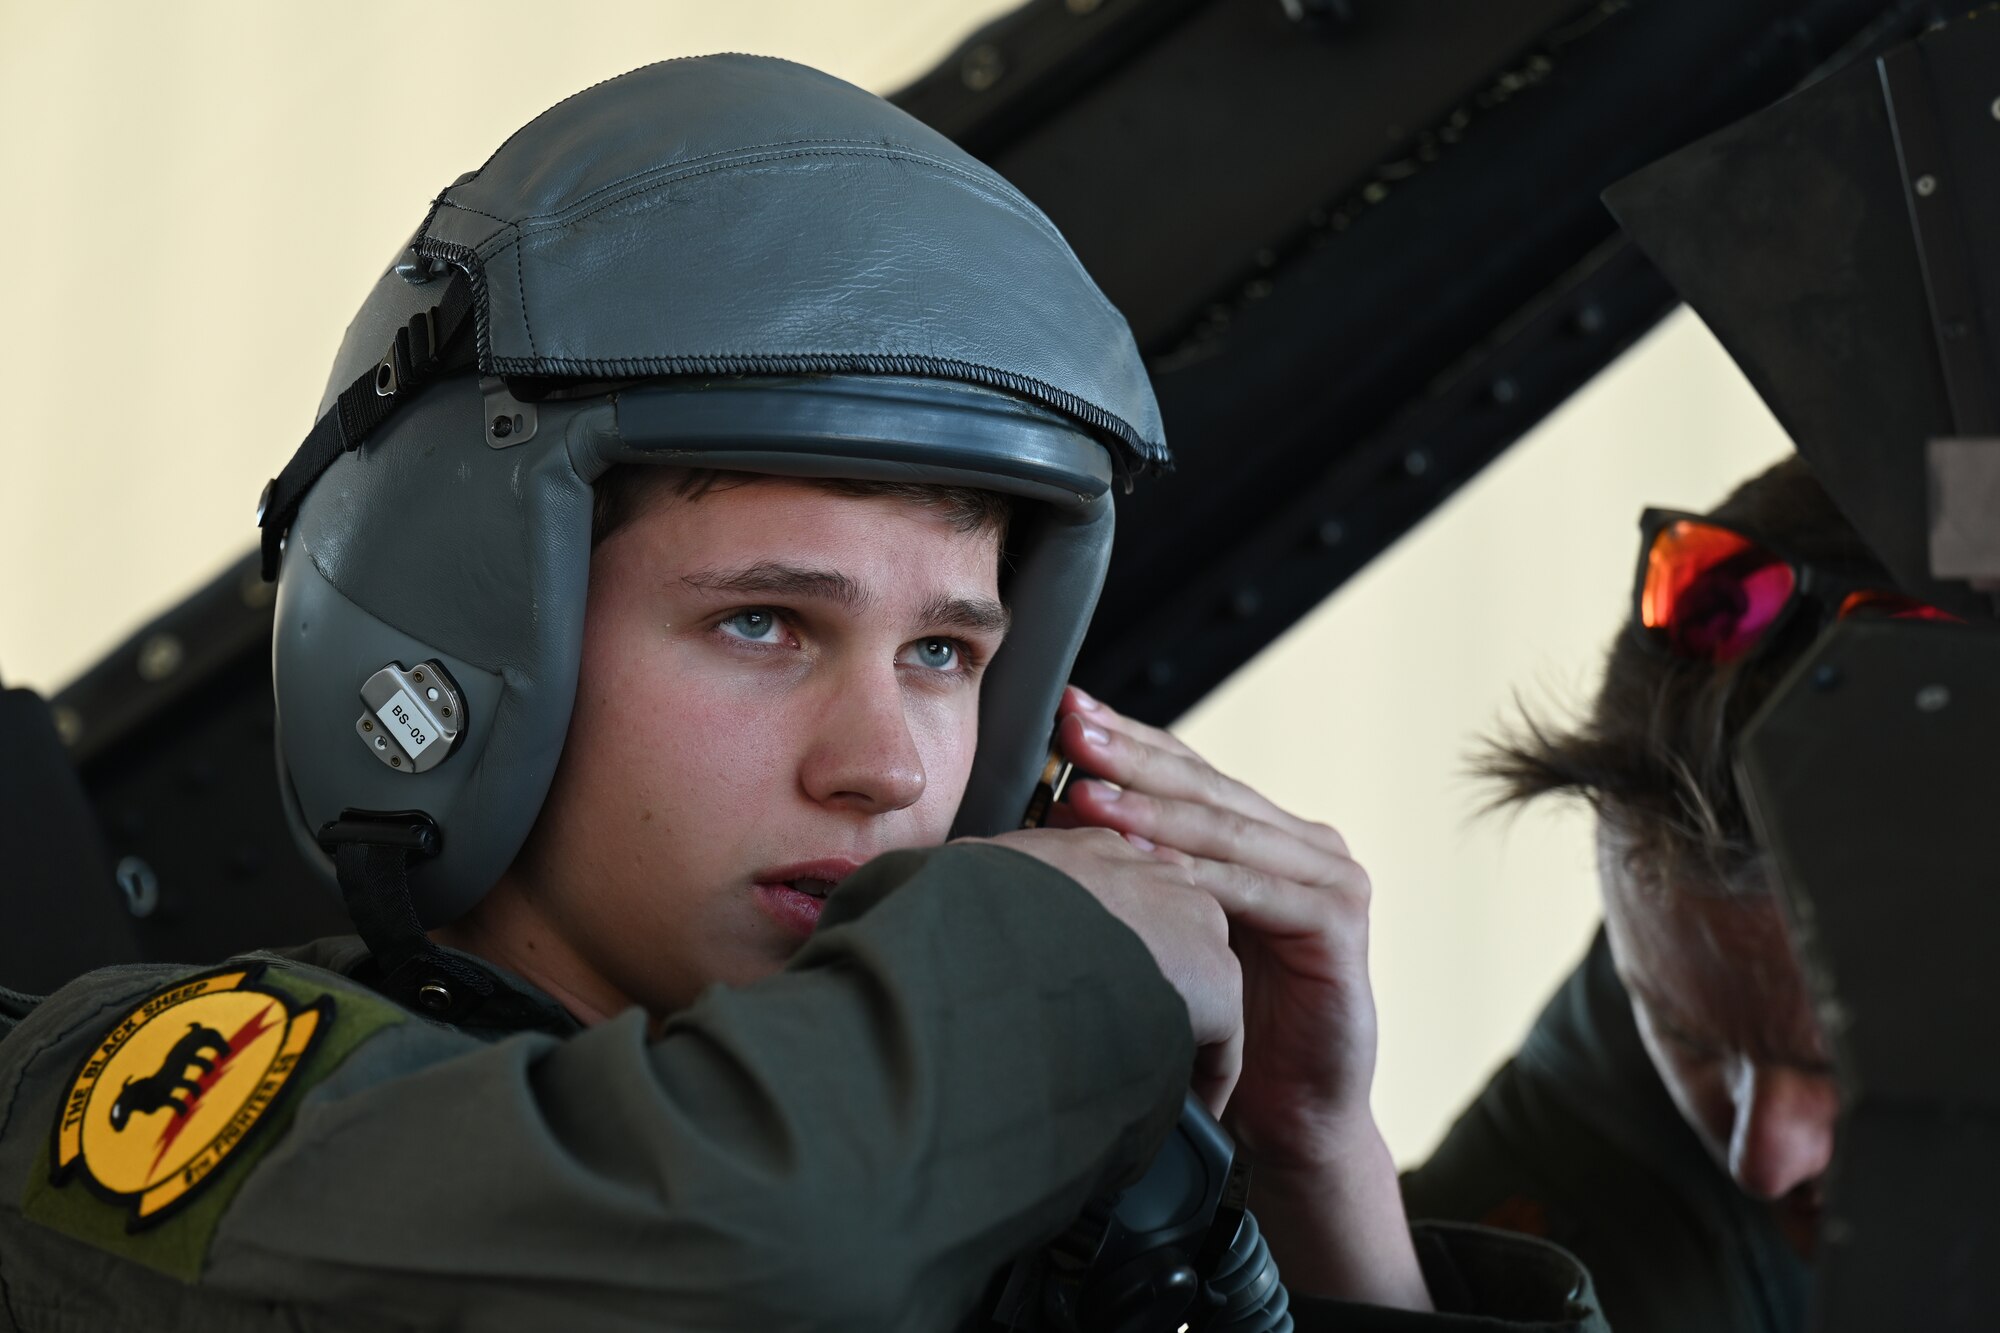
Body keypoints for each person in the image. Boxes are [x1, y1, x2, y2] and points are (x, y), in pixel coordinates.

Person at [0, 57, 1604, 1332]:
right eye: (763, 623)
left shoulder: (1013, 1194)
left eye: (945, 654)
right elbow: (725, 1256)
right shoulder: (165, 1099)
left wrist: (1316, 1175)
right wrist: (1064, 962)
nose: (888, 765)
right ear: (470, 636)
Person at [1401, 455, 1959, 1333]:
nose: (1761, 1157)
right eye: (1683, 1033)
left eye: (1845, 1060)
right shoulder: (1604, 1112)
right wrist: (1322, 1169)